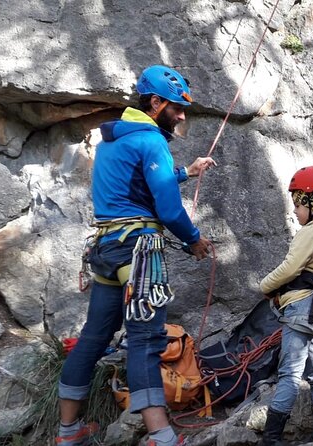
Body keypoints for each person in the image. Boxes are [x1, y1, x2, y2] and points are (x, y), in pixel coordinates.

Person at [56, 65, 215, 446]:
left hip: (108, 251)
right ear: (156, 102)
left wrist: (184, 173)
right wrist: (194, 240)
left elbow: (135, 183)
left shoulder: (112, 140)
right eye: (176, 107)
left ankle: (67, 432)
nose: (181, 116)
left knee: (94, 337)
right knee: (146, 340)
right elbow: (170, 211)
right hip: (139, 253)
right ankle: (161, 436)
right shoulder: (151, 141)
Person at [259, 165, 313, 446]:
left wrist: (264, 286)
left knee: (290, 374)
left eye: (298, 203)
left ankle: (271, 438)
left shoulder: (311, 231)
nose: (295, 210)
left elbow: (290, 267)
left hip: (300, 308)